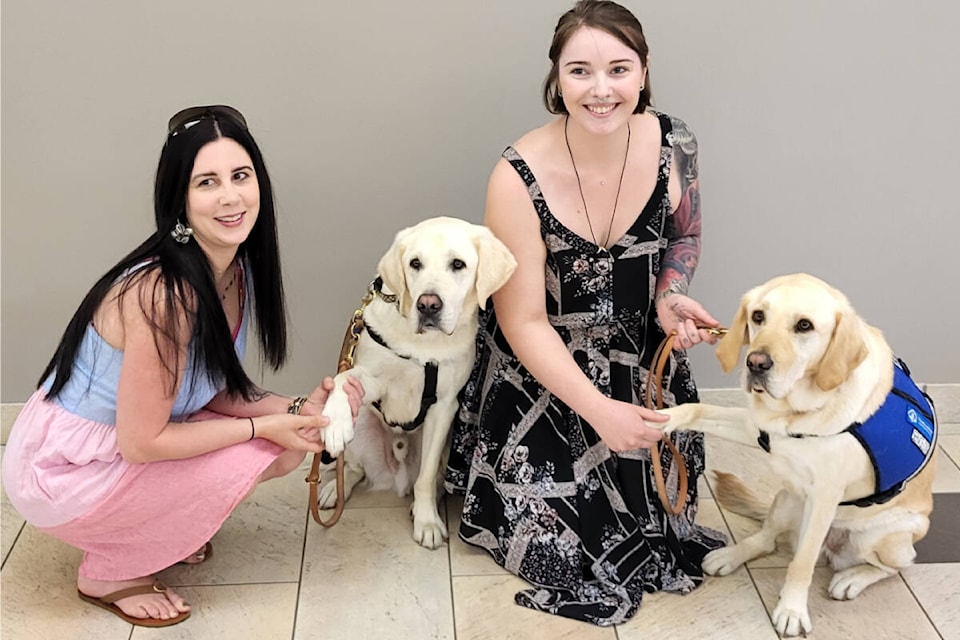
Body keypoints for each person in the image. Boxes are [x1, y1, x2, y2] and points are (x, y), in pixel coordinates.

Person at [1, 105, 363, 627]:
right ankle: (110, 571)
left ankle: (151, 528)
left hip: (118, 441)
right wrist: (263, 426)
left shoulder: (235, 270)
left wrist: (306, 409)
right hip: (63, 468)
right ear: (179, 200)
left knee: (280, 441)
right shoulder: (164, 294)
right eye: (207, 182)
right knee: (267, 450)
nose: (231, 197)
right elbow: (142, 442)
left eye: (241, 176)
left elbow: (209, 390)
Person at [444, 1, 726, 626]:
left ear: (645, 72)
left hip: (639, 354)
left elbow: (682, 237)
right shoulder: (515, 176)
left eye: (619, 70)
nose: (601, 91)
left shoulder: (675, 142)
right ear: (556, 78)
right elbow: (522, 324)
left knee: (667, 524)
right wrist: (600, 412)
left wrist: (669, 292)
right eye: (580, 72)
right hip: (544, 371)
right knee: (561, 549)